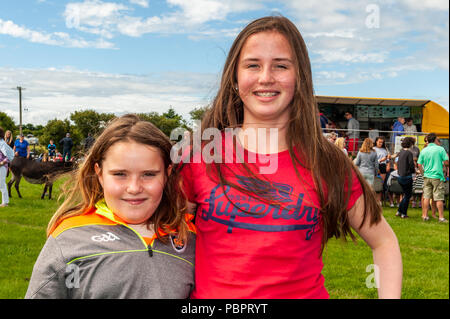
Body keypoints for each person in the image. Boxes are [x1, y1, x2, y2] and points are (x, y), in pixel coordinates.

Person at [178, 16, 401, 299]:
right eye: (252, 65)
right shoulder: (200, 156)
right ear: (235, 77)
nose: (266, 77)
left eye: (281, 65)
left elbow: (384, 242)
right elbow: (161, 240)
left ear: (299, 78)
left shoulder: (328, 161)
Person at [25, 114, 196, 298]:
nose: (134, 188)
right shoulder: (69, 237)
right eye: (120, 174)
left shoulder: (188, 237)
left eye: (149, 174)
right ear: (99, 174)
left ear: (167, 174)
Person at [418, 133, 449, 222]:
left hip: (427, 176)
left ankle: (425, 216)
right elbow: (446, 162)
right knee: (439, 197)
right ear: (435, 139)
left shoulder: (424, 150)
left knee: (426, 196)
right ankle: (441, 217)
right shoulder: (440, 149)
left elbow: (419, 164)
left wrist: (422, 174)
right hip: (437, 176)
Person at [395, 137, 416, 219]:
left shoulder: (400, 152)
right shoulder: (409, 153)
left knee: (405, 195)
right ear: (410, 144)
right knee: (407, 196)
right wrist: (414, 174)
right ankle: (404, 213)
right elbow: (411, 165)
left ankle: (399, 211)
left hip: (400, 176)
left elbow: (397, 163)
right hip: (407, 177)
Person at [373, 136, 390, 206]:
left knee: (380, 184)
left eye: (382, 142)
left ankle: (379, 201)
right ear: (376, 141)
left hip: (383, 166)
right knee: (374, 184)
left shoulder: (385, 149)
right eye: (379, 142)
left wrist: (388, 164)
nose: (380, 143)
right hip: (376, 166)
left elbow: (387, 158)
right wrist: (380, 160)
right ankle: (373, 200)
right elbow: (372, 160)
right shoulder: (373, 149)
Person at [0, 127, 15, 207]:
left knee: (1, 184)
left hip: (2, 167)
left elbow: (9, 156)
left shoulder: (2, 143)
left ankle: (5, 203)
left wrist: (2, 162)